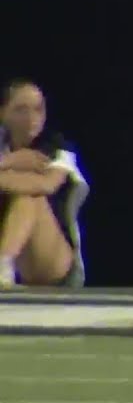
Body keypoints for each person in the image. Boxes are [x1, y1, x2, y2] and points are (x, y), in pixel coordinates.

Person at [0, 80, 88, 288]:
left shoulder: (56, 147)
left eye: (38, 109)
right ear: (3, 113)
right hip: (19, 268)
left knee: (30, 197)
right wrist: (9, 162)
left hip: (55, 267)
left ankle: (2, 265)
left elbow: (47, 185)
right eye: (21, 110)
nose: (32, 118)